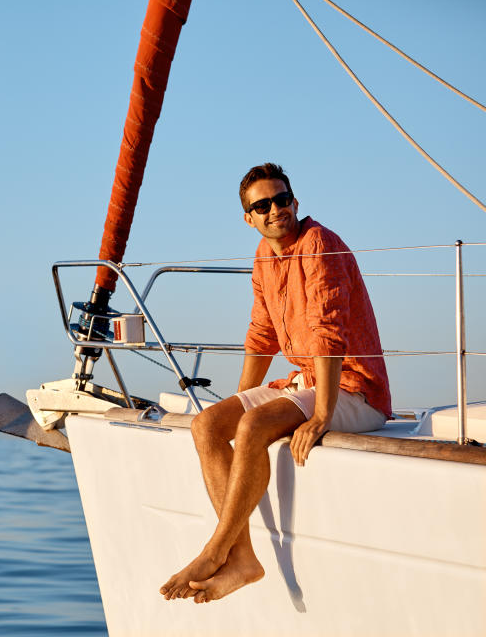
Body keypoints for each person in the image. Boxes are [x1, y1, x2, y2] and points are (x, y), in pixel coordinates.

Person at [159, 163, 392, 604]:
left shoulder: (319, 243)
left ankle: (215, 550)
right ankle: (244, 558)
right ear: (249, 218)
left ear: (295, 203)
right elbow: (262, 335)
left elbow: (329, 332)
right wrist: (240, 400)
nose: (275, 210)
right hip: (305, 380)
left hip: (355, 388)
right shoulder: (265, 257)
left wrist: (322, 414)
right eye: (262, 206)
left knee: (252, 428)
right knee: (207, 426)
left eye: (282, 200)